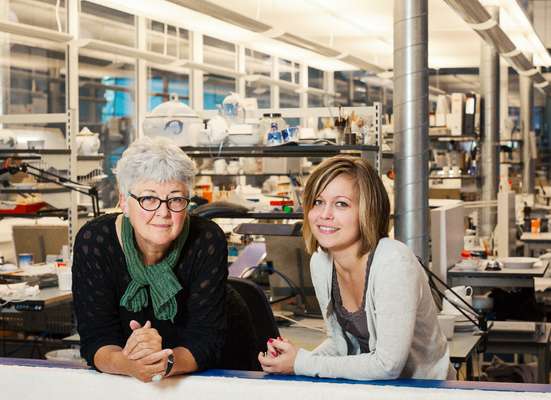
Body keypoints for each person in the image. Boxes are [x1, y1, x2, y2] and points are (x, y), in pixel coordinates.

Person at [259, 155, 455, 380]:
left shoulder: (393, 263)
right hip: (373, 389)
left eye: (341, 204)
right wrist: (292, 360)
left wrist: (301, 363)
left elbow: (388, 365)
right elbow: (340, 344)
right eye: (318, 202)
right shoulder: (321, 263)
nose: (324, 215)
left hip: (427, 391)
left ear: (367, 210)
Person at [73, 137, 233, 382]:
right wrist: (128, 364)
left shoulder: (207, 240)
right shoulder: (95, 241)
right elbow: (96, 339)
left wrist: (163, 362)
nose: (163, 213)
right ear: (124, 202)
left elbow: (207, 341)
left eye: (176, 199)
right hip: (130, 375)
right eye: (148, 198)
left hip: (209, 376)